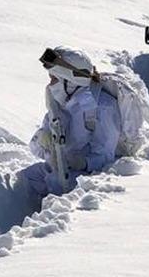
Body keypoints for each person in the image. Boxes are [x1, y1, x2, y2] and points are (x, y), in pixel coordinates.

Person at [24, 46, 122, 196]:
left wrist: (83, 162)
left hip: (87, 179)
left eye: (54, 79)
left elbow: (106, 157)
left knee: (60, 189)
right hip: (58, 172)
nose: (50, 85)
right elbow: (37, 150)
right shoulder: (59, 104)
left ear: (70, 80)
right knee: (25, 179)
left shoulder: (103, 107)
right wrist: (42, 139)